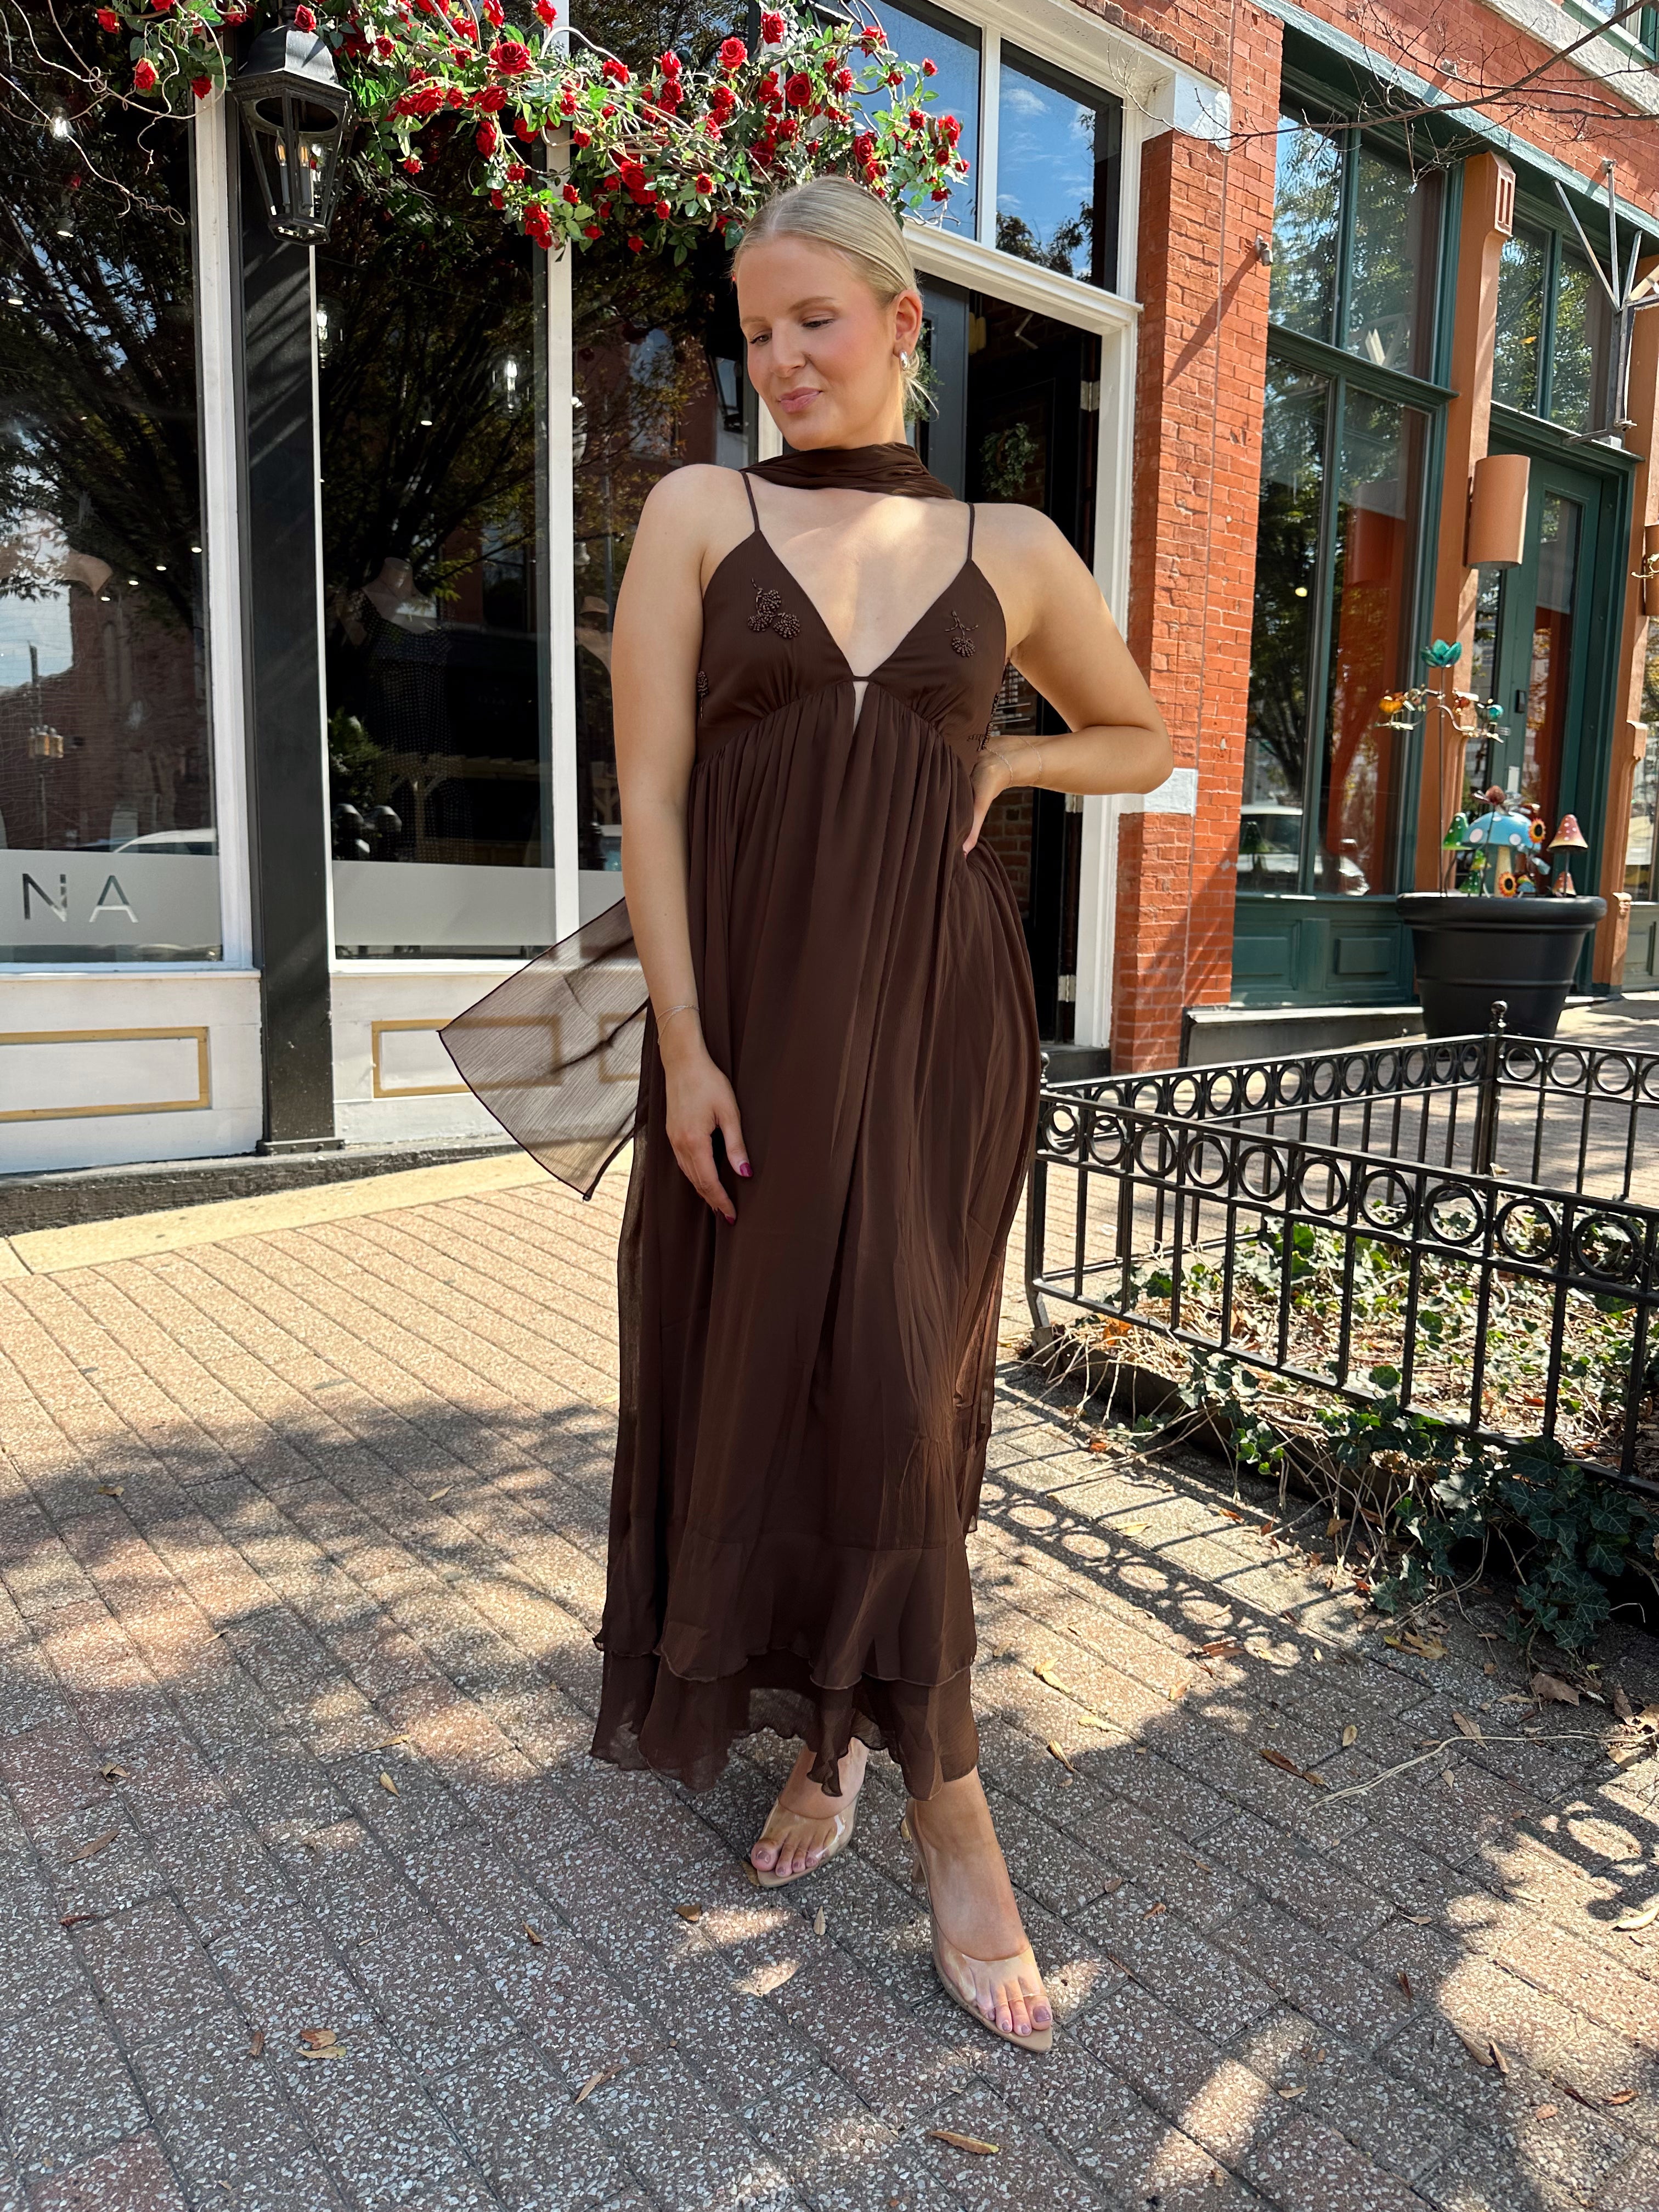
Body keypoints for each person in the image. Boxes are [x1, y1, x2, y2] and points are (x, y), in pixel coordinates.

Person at [448, 174, 1171, 2051]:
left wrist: (1007, 744)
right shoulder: (702, 513)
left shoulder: (1010, 544)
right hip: (752, 1022)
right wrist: (684, 1050)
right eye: (753, 332)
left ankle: (941, 1791)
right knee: (762, 1370)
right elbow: (659, 801)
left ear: (902, 321)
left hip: (938, 1027)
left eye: (811, 322)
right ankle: (825, 1749)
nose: (777, 360)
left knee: (906, 1389)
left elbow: (1149, 736)